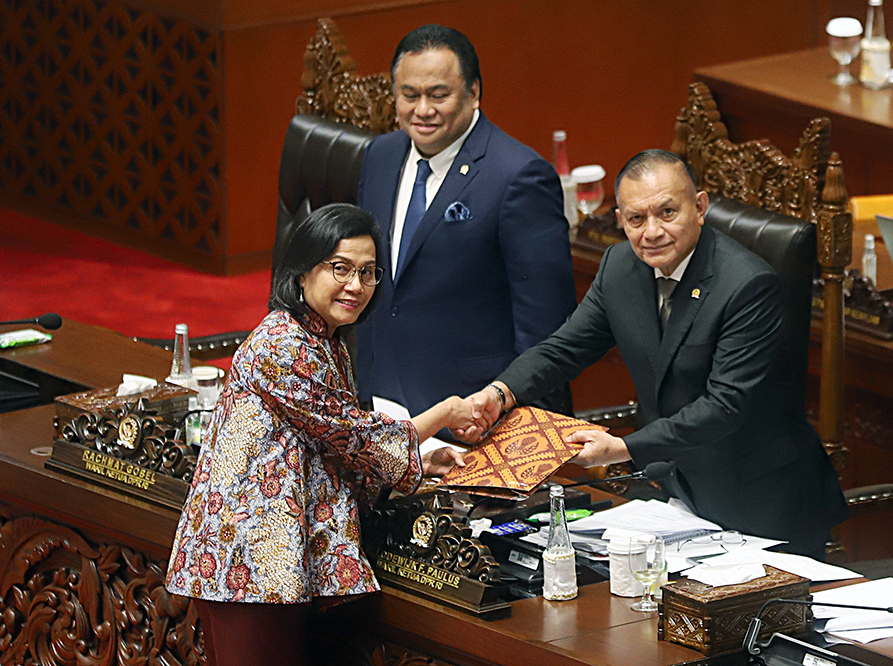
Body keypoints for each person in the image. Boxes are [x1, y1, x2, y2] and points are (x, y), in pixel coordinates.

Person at [465, 150, 849, 559]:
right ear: (620, 220)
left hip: (764, 502)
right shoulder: (620, 266)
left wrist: (621, 448)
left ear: (700, 207)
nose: (651, 232)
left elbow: (724, 407)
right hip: (679, 493)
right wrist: (501, 393)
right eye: (636, 219)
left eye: (667, 212)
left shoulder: (748, 286)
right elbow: (565, 349)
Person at [165, 204, 479, 666]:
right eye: (341, 269)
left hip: (273, 562)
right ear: (300, 272)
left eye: (369, 273)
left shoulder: (324, 341)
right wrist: (446, 413)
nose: (356, 286)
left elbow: (332, 448)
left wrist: (418, 462)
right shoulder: (284, 344)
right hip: (246, 560)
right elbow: (354, 435)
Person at [354, 24, 576, 421]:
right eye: (409, 95)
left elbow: (546, 330)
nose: (422, 110)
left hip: (473, 417)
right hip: (380, 404)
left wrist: (527, 429)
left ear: (474, 92)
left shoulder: (518, 176)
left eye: (438, 95)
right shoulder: (380, 155)